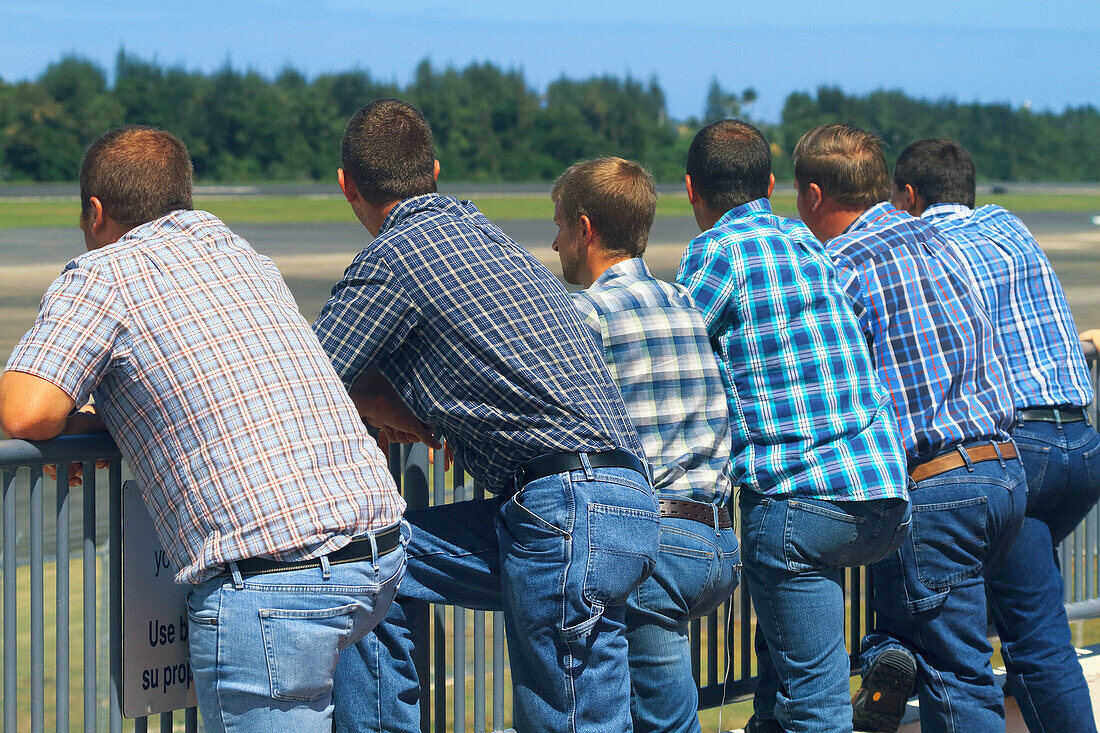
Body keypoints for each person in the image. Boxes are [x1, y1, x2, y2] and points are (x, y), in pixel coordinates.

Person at [0, 125, 407, 732]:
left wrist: (70, 425)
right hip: (375, 552)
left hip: (276, 580)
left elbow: (25, 411)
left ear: (95, 211)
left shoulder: (105, 273)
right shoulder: (240, 255)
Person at [314, 98, 660, 733]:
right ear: (434, 169)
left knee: (571, 718)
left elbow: (307, 382)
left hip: (561, 508)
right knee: (376, 566)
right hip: (616, 502)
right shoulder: (486, 239)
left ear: (347, 186)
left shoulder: (396, 256)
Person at [675, 120, 911, 733]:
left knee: (814, 703)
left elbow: (676, 345)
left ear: (692, 189)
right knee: (783, 689)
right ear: (773, 185)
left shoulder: (719, 250)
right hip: (882, 488)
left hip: (800, 500)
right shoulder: (810, 243)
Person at [794, 123, 1027, 733]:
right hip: (1004, 471)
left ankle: (882, 659)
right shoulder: (942, 241)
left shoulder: (837, 268)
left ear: (814, 196)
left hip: (937, 484)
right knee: (939, 636)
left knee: (955, 678)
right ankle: (886, 654)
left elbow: (823, 387)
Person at [892, 137, 1099, 732]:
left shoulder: (929, 247)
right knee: (1022, 606)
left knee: (1033, 637)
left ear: (910, 195)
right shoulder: (1010, 227)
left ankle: (890, 650)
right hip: (1080, 440)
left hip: (1020, 449)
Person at [550, 156, 741, 733]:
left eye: (559, 225)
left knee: (659, 720)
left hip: (657, 543)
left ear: (585, 229)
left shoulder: (586, 313)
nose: (554, 243)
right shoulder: (683, 300)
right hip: (716, 538)